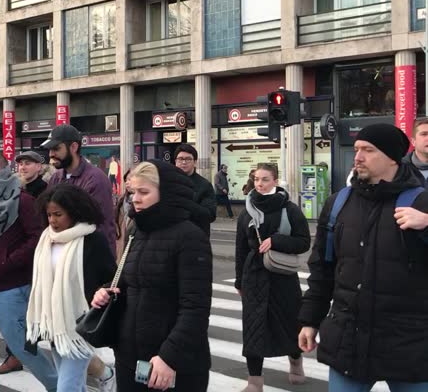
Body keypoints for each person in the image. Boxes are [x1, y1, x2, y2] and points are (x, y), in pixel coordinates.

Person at [299, 123, 428, 391]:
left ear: (392, 157)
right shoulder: (338, 203)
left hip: (410, 344)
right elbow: (322, 269)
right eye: (357, 149)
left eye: (368, 150)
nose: (357, 157)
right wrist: (310, 320)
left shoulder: (421, 203)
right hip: (349, 340)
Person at [91, 160, 212, 392]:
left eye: (144, 192)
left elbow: (195, 308)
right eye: (133, 192)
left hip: (172, 364)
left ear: (165, 192)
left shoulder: (190, 237)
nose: (135, 199)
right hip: (129, 356)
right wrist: (106, 290)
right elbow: (126, 278)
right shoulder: (137, 230)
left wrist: (169, 357)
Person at [0, 151, 58, 391]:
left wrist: (8, 262)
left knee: (23, 349)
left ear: (3, 172)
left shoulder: (23, 201)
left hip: (11, 289)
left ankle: (60, 386)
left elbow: (37, 237)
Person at [27, 184, 117, 392]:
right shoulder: (46, 239)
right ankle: (108, 376)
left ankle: (108, 376)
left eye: (58, 214)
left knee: (67, 387)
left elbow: (111, 278)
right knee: (72, 384)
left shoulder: (93, 240)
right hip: (55, 324)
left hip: (81, 324)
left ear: (74, 212)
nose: (52, 220)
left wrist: (100, 294)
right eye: (49, 215)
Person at [234, 164, 311, 392]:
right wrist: (240, 280)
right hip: (254, 276)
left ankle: (295, 362)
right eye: (257, 179)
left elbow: (304, 241)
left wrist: (277, 241)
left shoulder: (290, 209)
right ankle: (254, 381)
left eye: (265, 179)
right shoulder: (248, 210)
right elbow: (240, 248)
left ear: (275, 181)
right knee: (253, 328)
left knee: (290, 322)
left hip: (282, 277)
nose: (259, 184)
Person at [0, 150, 51, 375]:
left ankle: (28, 352)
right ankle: (16, 354)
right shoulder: (13, 190)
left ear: (39, 167)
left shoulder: (46, 191)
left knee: (32, 309)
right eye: (20, 164)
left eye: (28, 163)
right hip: (17, 256)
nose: (23, 167)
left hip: (39, 254)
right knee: (16, 311)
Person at [43, 124, 117, 257]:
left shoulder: (96, 179)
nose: (51, 154)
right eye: (50, 150)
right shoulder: (55, 178)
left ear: (74, 147)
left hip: (87, 258)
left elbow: (101, 226)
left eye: (56, 149)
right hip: (60, 255)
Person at [174, 144, 217, 236]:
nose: (184, 162)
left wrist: (187, 203)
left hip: (195, 238)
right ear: (175, 162)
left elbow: (210, 215)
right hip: (171, 239)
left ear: (195, 162)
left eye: (188, 159)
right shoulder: (167, 182)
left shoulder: (205, 185)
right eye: (180, 159)